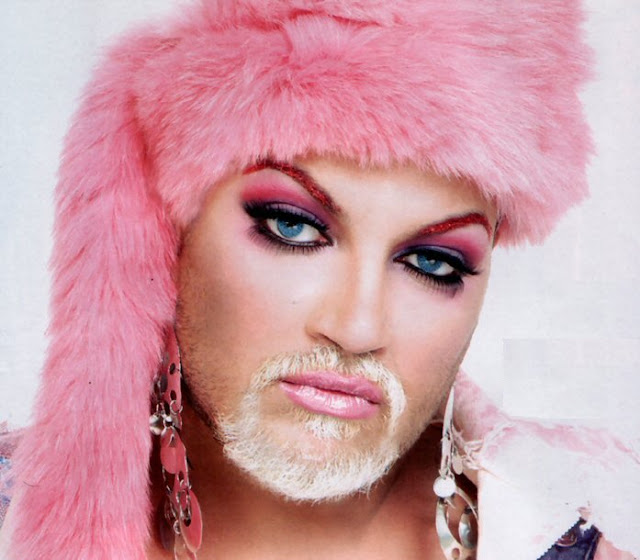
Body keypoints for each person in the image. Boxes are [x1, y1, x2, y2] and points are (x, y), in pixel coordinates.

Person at [0, 1, 638, 559]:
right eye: (293, 228)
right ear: (169, 228)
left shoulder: (596, 526)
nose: (356, 328)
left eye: (432, 263)